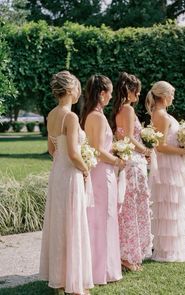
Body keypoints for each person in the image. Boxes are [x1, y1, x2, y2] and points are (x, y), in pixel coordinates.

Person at [39, 70, 93, 295]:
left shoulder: (51, 115)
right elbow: (73, 152)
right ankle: (71, 281)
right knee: (72, 223)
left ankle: (59, 282)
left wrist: (67, 161)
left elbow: (53, 149)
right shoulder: (70, 117)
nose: (80, 91)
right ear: (70, 91)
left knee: (59, 224)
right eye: (78, 88)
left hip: (57, 174)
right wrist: (86, 168)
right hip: (69, 175)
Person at [81, 74, 124, 285]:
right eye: (110, 93)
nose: (111, 97)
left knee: (99, 220)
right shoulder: (96, 117)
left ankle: (100, 268)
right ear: (101, 93)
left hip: (101, 173)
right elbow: (98, 150)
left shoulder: (92, 115)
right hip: (101, 174)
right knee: (102, 220)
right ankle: (102, 271)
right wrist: (117, 161)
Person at [145, 80, 185, 262]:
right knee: (169, 205)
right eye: (172, 94)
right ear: (164, 96)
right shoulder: (162, 116)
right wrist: (183, 151)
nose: (173, 97)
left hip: (171, 164)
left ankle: (172, 248)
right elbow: (161, 146)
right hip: (168, 165)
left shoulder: (160, 113)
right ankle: (168, 251)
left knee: (172, 204)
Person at [111, 72, 153, 271]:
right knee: (131, 210)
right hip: (133, 164)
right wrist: (145, 149)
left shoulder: (119, 109)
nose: (138, 95)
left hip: (129, 162)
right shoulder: (127, 110)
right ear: (128, 91)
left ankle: (127, 253)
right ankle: (127, 256)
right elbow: (128, 137)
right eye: (136, 91)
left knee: (128, 209)